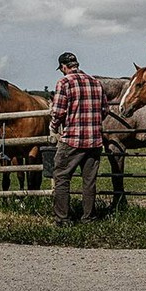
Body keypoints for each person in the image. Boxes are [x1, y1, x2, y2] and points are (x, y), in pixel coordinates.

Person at [49, 52, 108, 226]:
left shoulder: (64, 82)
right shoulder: (95, 82)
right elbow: (105, 110)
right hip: (95, 140)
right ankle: (88, 218)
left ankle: (62, 219)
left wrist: (54, 125)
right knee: (89, 180)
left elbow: (59, 111)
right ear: (77, 64)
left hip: (72, 139)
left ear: (63, 67)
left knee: (61, 176)